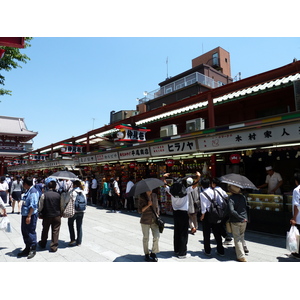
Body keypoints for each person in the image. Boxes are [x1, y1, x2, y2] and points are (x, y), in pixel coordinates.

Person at [163, 171, 201, 259]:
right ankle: (182, 253)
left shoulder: (171, 191)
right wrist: (198, 177)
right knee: (183, 233)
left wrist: (164, 177)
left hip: (175, 213)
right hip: (183, 214)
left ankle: (176, 249)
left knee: (176, 231)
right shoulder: (186, 191)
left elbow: (165, 185)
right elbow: (195, 185)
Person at [200, 177, 225, 257]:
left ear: (202, 186)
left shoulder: (202, 194)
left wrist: (202, 216)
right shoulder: (214, 191)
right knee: (217, 233)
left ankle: (207, 251)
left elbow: (203, 207)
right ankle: (221, 250)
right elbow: (219, 202)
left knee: (206, 234)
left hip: (207, 214)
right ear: (209, 184)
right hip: (215, 213)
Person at [38, 180, 64, 252]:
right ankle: (54, 246)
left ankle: (43, 243)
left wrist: (39, 212)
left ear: (48, 186)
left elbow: (41, 206)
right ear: (55, 187)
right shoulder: (59, 195)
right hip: (57, 215)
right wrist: (61, 212)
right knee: (55, 230)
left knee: (45, 230)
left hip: (47, 215)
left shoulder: (44, 195)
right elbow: (61, 205)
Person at [17, 177, 40, 259]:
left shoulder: (33, 192)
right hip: (25, 214)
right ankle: (27, 247)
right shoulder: (28, 191)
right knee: (25, 231)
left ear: (26, 184)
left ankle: (33, 249)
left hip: (30, 215)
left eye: (23, 184)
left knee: (30, 231)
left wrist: (29, 216)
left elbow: (33, 206)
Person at [227, 184, 248, 262]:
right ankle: (244, 248)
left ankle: (241, 256)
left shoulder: (231, 198)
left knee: (237, 238)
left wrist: (239, 217)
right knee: (241, 236)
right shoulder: (243, 197)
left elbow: (231, 211)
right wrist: (244, 218)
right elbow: (245, 207)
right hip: (244, 219)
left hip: (236, 220)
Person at [138, 188, 160, 262]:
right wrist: (148, 205)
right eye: (148, 190)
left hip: (154, 219)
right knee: (146, 238)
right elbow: (140, 210)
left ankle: (153, 253)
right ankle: (146, 254)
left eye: (151, 189)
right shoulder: (142, 197)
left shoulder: (154, 195)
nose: (150, 191)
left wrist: (157, 214)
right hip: (145, 220)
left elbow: (157, 206)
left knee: (157, 236)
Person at [211, 177, 232, 245]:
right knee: (221, 224)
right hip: (224, 210)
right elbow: (226, 196)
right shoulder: (221, 190)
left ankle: (226, 237)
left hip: (218, 210)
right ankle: (223, 236)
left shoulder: (214, 191)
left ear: (214, 184)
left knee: (218, 225)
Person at [68, 180, 87, 246]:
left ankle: (72, 239)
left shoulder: (72, 192)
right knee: (79, 226)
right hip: (82, 211)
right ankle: (79, 242)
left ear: (75, 185)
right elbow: (86, 202)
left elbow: (68, 201)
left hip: (74, 211)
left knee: (70, 224)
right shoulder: (83, 192)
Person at [289, 172, 300, 259]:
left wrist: (294, 218)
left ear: (296, 181)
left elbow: (296, 205)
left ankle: (298, 254)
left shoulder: (297, 190)